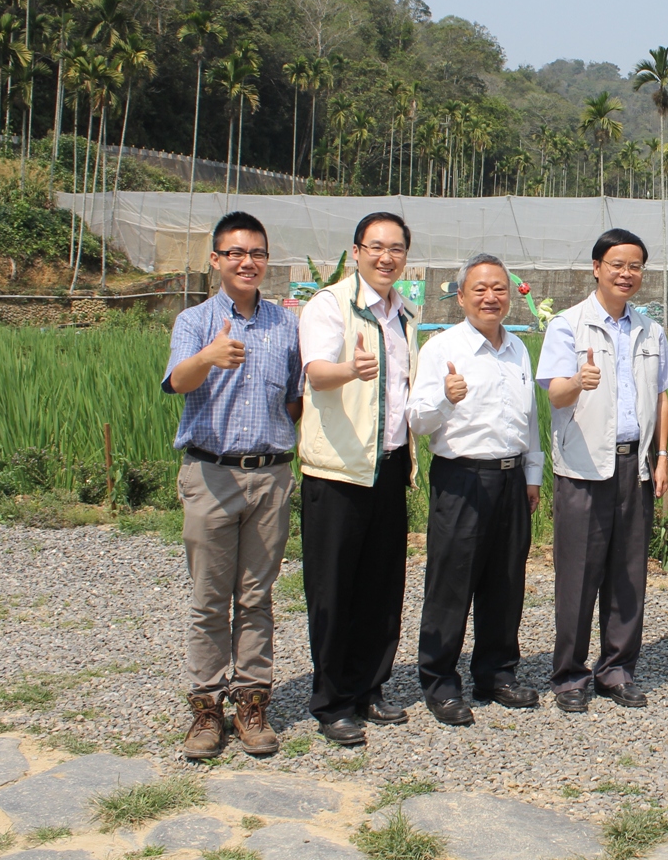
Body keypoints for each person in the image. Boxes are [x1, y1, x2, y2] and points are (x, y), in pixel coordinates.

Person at [164, 211, 303, 759]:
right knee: (209, 598)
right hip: (211, 474)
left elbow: (295, 398)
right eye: (236, 253)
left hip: (270, 475)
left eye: (257, 253)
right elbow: (178, 381)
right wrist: (208, 357)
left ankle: (251, 703)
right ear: (217, 260)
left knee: (256, 597)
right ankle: (205, 709)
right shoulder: (195, 321)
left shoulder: (285, 325)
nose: (248, 262)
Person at [536, 228, 668, 713]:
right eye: (617, 264)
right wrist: (579, 380)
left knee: (628, 575)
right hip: (583, 467)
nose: (626, 273)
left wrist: (662, 456)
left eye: (635, 265)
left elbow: (662, 395)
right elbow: (555, 394)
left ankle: (616, 670)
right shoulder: (568, 325)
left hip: (635, 465)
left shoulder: (650, 330)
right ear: (596, 268)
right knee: (578, 576)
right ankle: (570, 676)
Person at [297, 211, 419, 746]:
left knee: (381, 586)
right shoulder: (330, 305)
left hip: (389, 466)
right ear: (356, 252)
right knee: (333, 589)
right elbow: (317, 372)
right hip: (338, 471)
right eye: (376, 247)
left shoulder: (405, 314)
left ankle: (370, 686)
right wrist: (351, 369)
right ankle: (332, 701)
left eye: (396, 249)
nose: (386, 257)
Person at [407, 254, 543, 726]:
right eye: (480, 289)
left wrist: (532, 475)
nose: (491, 297)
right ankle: (440, 682)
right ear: (461, 297)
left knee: (505, 582)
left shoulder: (518, 349)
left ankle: (496, 673)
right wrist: (445, 398)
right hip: (461, 478)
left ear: (510, 295)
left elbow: (529, 418)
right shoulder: (442, 348)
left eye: (499, 288)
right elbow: (417, 420)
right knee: (451, 583)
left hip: (511, 478)